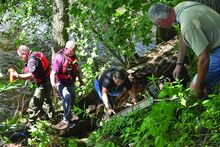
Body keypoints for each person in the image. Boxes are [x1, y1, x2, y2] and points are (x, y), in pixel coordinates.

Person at [148, 2, 220, 97]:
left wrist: (197, 86)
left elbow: (204, 59)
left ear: (160, 21)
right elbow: (183, 36)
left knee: (194, 89)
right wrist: (179, 64)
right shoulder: (181, 7)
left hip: (217, 51)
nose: (159, 27)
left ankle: (204, 107)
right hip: (216, 46)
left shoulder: (187, 25)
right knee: (203, 84)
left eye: (157, 25)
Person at [12, 45, 55, 124]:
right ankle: (51, 118)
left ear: (24, 54)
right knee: (47, 100)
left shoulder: (31, 61)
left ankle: (31, 125)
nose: (21, 59)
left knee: (33, 105)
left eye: (20, 56)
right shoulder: (36, 54)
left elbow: (31, 75)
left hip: (42, 84)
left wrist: (18, 76)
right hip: (47, 80)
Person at [50, 40, 83, 130]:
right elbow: (52, 74)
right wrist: (54, 89)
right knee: (67, 97)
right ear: (66, 48)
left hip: (70, 82)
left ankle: (69, 113)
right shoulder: (59, 57)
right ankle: (66, 120)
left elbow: (76, 69)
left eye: (74, 50)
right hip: (60, 82)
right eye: (71, 50)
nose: (73, 52)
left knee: (72, 99)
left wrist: (80, 80)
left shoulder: (74, 57)